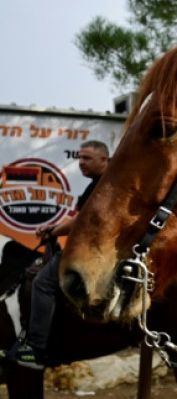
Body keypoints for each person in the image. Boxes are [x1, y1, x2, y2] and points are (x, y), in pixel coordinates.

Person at [7, 140, 110, 370]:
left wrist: (52, 230)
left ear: (104, 160)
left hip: (95, 251)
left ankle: (35, 348)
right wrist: (52, 228)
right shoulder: (101, 182)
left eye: (87, 158)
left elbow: (83, 221)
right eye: (80, 158)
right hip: (96, 247)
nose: (81, 163)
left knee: (43, 283)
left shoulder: (103, 184)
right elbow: (80, 219)